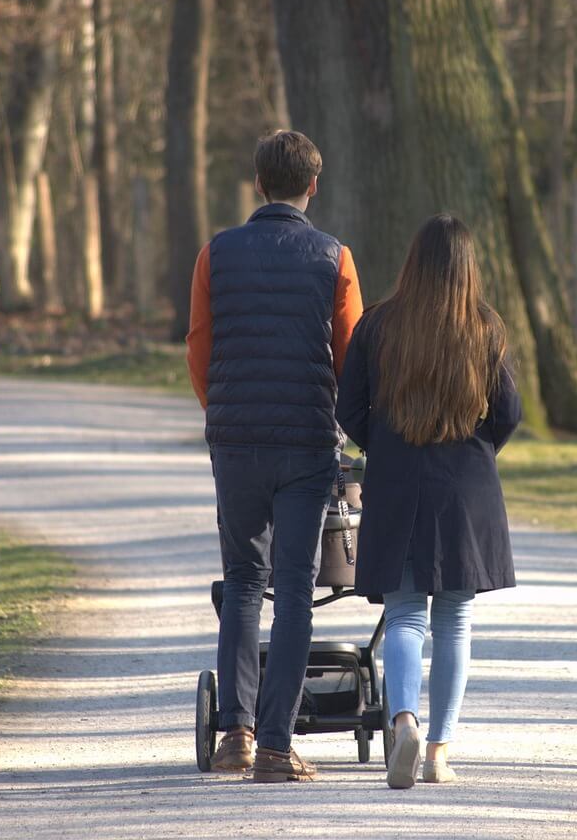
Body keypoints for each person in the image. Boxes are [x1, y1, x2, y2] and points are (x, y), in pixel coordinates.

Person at [185, 130, 364, 783]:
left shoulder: (216, 254)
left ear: (259, 184)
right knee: (293, 588)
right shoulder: (333, 258)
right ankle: (277, 747)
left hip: (236, 443)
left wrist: (222, 411)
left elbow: (199, 350)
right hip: (307, 444)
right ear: (312, 186)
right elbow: (350, 358)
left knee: (242, 581)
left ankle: (235, 732)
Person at [335, 213, 522, 789]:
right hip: (465, 490)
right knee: (455, 621)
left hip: (398, 485)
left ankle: (404, 721)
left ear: (412, 264)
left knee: (406, 618)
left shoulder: (378, 326)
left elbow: (349, 409)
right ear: (468, 269)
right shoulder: (485, 329)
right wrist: (477, 447)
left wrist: (385, 445)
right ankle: (440, 748)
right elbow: (508, 413)